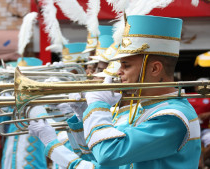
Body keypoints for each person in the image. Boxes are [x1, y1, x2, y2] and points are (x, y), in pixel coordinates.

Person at [28, 15, 201, 169]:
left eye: (126, 65)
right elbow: (94, 156)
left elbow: (108, 154)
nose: (119, 72)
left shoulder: (173, 116)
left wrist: (97, 104)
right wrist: (82, 116)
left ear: (155, 68)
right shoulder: (143, 109)